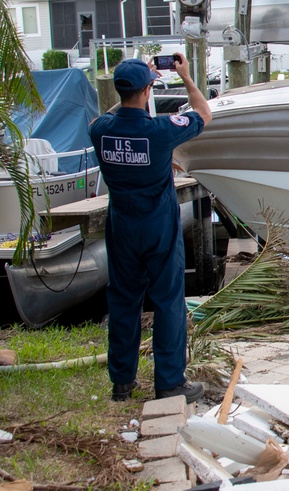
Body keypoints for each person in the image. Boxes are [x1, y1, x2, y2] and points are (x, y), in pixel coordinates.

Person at [90, 53, 212, 403]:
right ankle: (170, 382)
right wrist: (186, 76)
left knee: (124, 300)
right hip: (158, 225)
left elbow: (111, 114)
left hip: (122, 225)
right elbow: (204, 113)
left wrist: (134, 85)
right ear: (148, 91)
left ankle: (122, 382)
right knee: (167, 301)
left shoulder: (100, 130)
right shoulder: (159, 131)